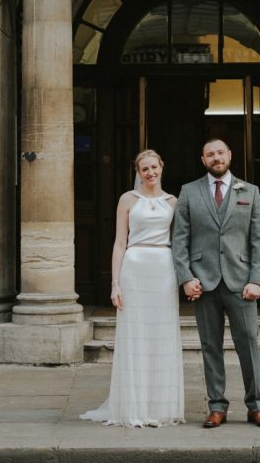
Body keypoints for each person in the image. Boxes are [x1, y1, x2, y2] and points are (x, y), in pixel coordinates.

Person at [171, 138, 260, 429]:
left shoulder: (250, 192)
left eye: (220, 153)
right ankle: (216, 406)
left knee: (249, 344)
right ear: (203, 160)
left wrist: (256, 280)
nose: (216, 158)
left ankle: (257, 406)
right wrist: (186, 278)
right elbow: (179, 240)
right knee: (210, 346)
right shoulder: (189, 192)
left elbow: (259, 241)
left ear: (230, 155)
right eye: (210, 154)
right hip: (204, 283)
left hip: (241, 283)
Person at [80, 149, 185, 427]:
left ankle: (160, 407)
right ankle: (134, 405)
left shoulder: (173, 202)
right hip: (135, 266)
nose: (150, 173)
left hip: (163, 266)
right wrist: (115, 283)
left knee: (161, 333)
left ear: (162, 168)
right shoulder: (127, 199)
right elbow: (119, 243)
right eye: (144, 169)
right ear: (138, 173)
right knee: (135, 334)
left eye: (154, 167)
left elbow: (180, 242)